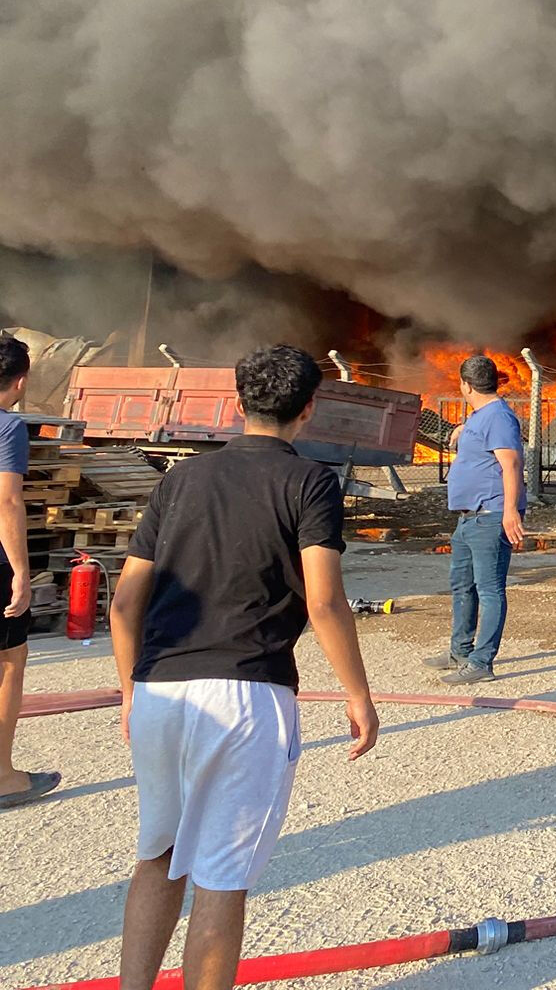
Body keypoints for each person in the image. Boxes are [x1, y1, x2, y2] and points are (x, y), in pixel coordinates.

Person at [111, 345, 377, 990]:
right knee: (221, 881)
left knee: (158, 857)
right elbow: (323, 599)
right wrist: (358, 695)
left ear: (237, 402)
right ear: (309, 408)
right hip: (246, 696)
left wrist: (129, 693)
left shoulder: (180, 479)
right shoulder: (310, 482)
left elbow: (123, 601)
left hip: (159, 690)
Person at [425, 354, 526, 685]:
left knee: (490, 588)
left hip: (490, 515)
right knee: (462, 585)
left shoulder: (498, 417)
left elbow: (510, 464)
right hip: (470, 517)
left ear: (465, 385)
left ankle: (482, 662)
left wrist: (509, 512)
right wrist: (464, 428)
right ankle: (460, 651)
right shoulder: (483, 416)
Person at [0, 333, 59, 809]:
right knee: (7, 665)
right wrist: (21, 571)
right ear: (19, 383)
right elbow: (7, 500)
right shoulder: (7, 428)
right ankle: (3, 777)